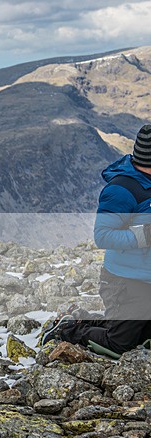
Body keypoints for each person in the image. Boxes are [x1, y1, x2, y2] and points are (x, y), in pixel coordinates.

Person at [42, 125, 151, 356]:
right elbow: (103, 236)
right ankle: (68, 330)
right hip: (126, 281)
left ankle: (90, 321)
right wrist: (145, 235)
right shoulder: (121, 190)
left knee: (144, 336)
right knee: (120, 345)